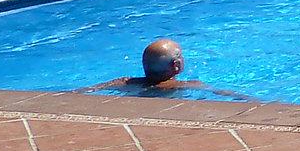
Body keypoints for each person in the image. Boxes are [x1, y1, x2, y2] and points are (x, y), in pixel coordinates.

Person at [85, 39, 239, 98]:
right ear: (176, 66)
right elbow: (223, 93)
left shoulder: (126, 82)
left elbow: (89, 89)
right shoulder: (189, 85)